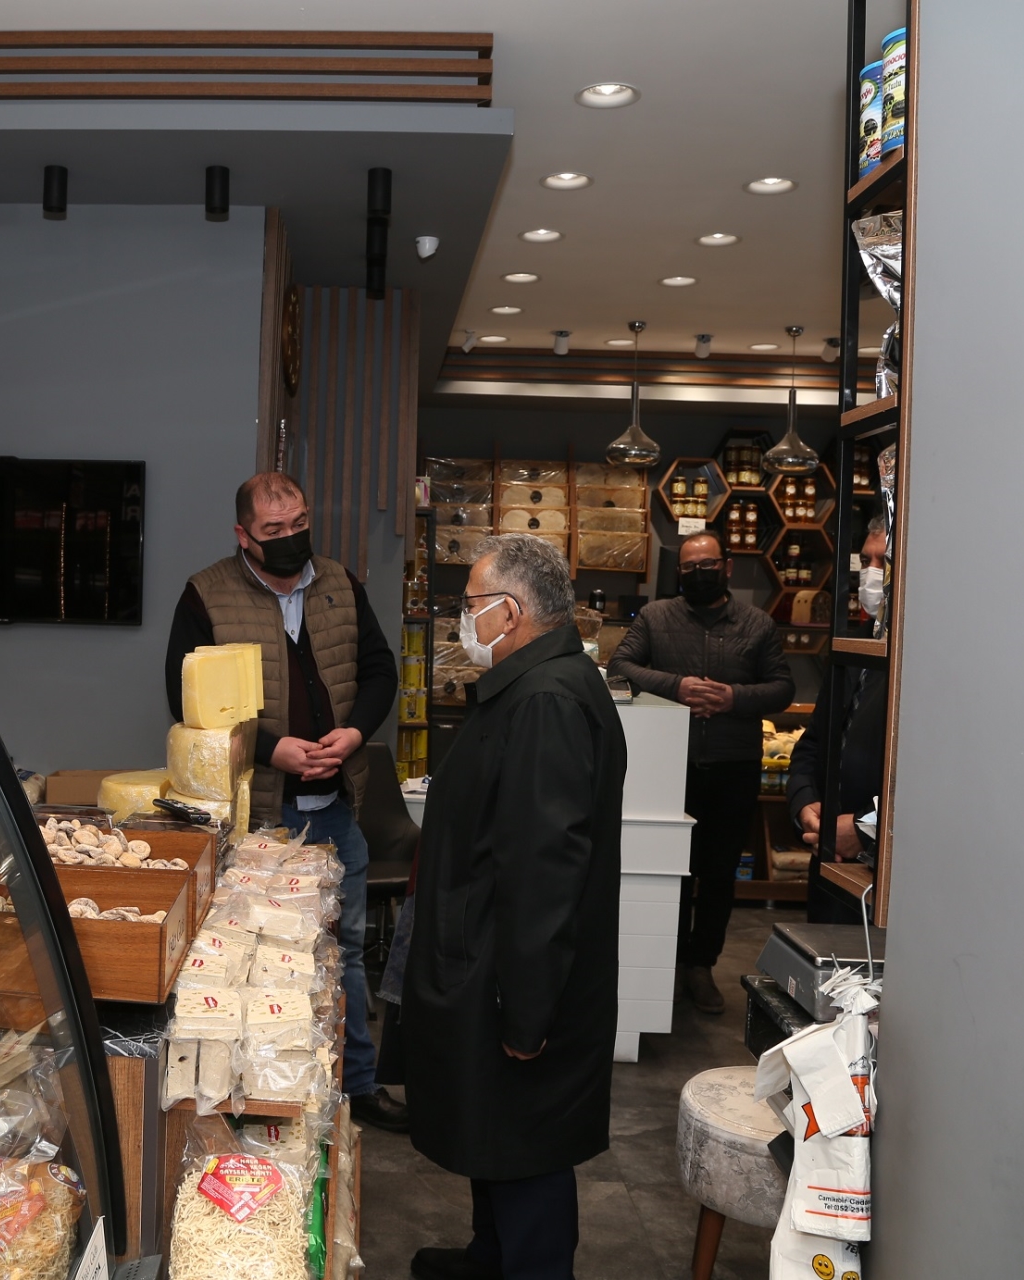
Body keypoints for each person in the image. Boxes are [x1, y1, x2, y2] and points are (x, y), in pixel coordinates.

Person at [402, 533, 626, 1280]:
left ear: (510, 611)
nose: (461, 620)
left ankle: (528, 1267)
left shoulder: (547, 702)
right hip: (489, 952)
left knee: (525, 1140)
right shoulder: (532, 684)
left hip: (516, 971)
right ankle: (490, 1257)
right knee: (494, 1125)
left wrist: (528, 1012)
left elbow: (543, 871)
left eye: (469, 605)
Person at [164, 471, 405, 1132]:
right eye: (274, 530)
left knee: (345, 952)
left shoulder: (340, 584)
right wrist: (272, 750)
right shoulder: (206, 594)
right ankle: (263, 1098)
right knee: (256, 961)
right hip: (257, 819)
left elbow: (380, 669)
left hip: (336, 808)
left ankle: (356, 1086)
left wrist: (354, 733)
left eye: (299, 524)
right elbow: (185, 703)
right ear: (243, 535)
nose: (291, 538)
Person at [607, 530, 793, 1014]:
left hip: (734, 766)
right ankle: (662, 964)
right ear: (679, 572)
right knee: (670, 869)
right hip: (670, 767)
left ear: (727, 567)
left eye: (707, 565)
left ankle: (700, 965)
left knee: (717, 874)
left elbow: (782, 688)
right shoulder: (656, 617)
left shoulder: (757, 623)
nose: (698, 573)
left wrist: (733, 697)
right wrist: (678, 687)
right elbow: (620, 665)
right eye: (689, 567)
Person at [789, 517, 890, 923]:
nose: (872, 573)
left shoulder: (928, 654)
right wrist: (806, 804)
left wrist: (865, 828)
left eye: (884, 562)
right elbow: (815, 742)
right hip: (830, 862)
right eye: (866, 561)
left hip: (884, 870)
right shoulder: (855, 643)